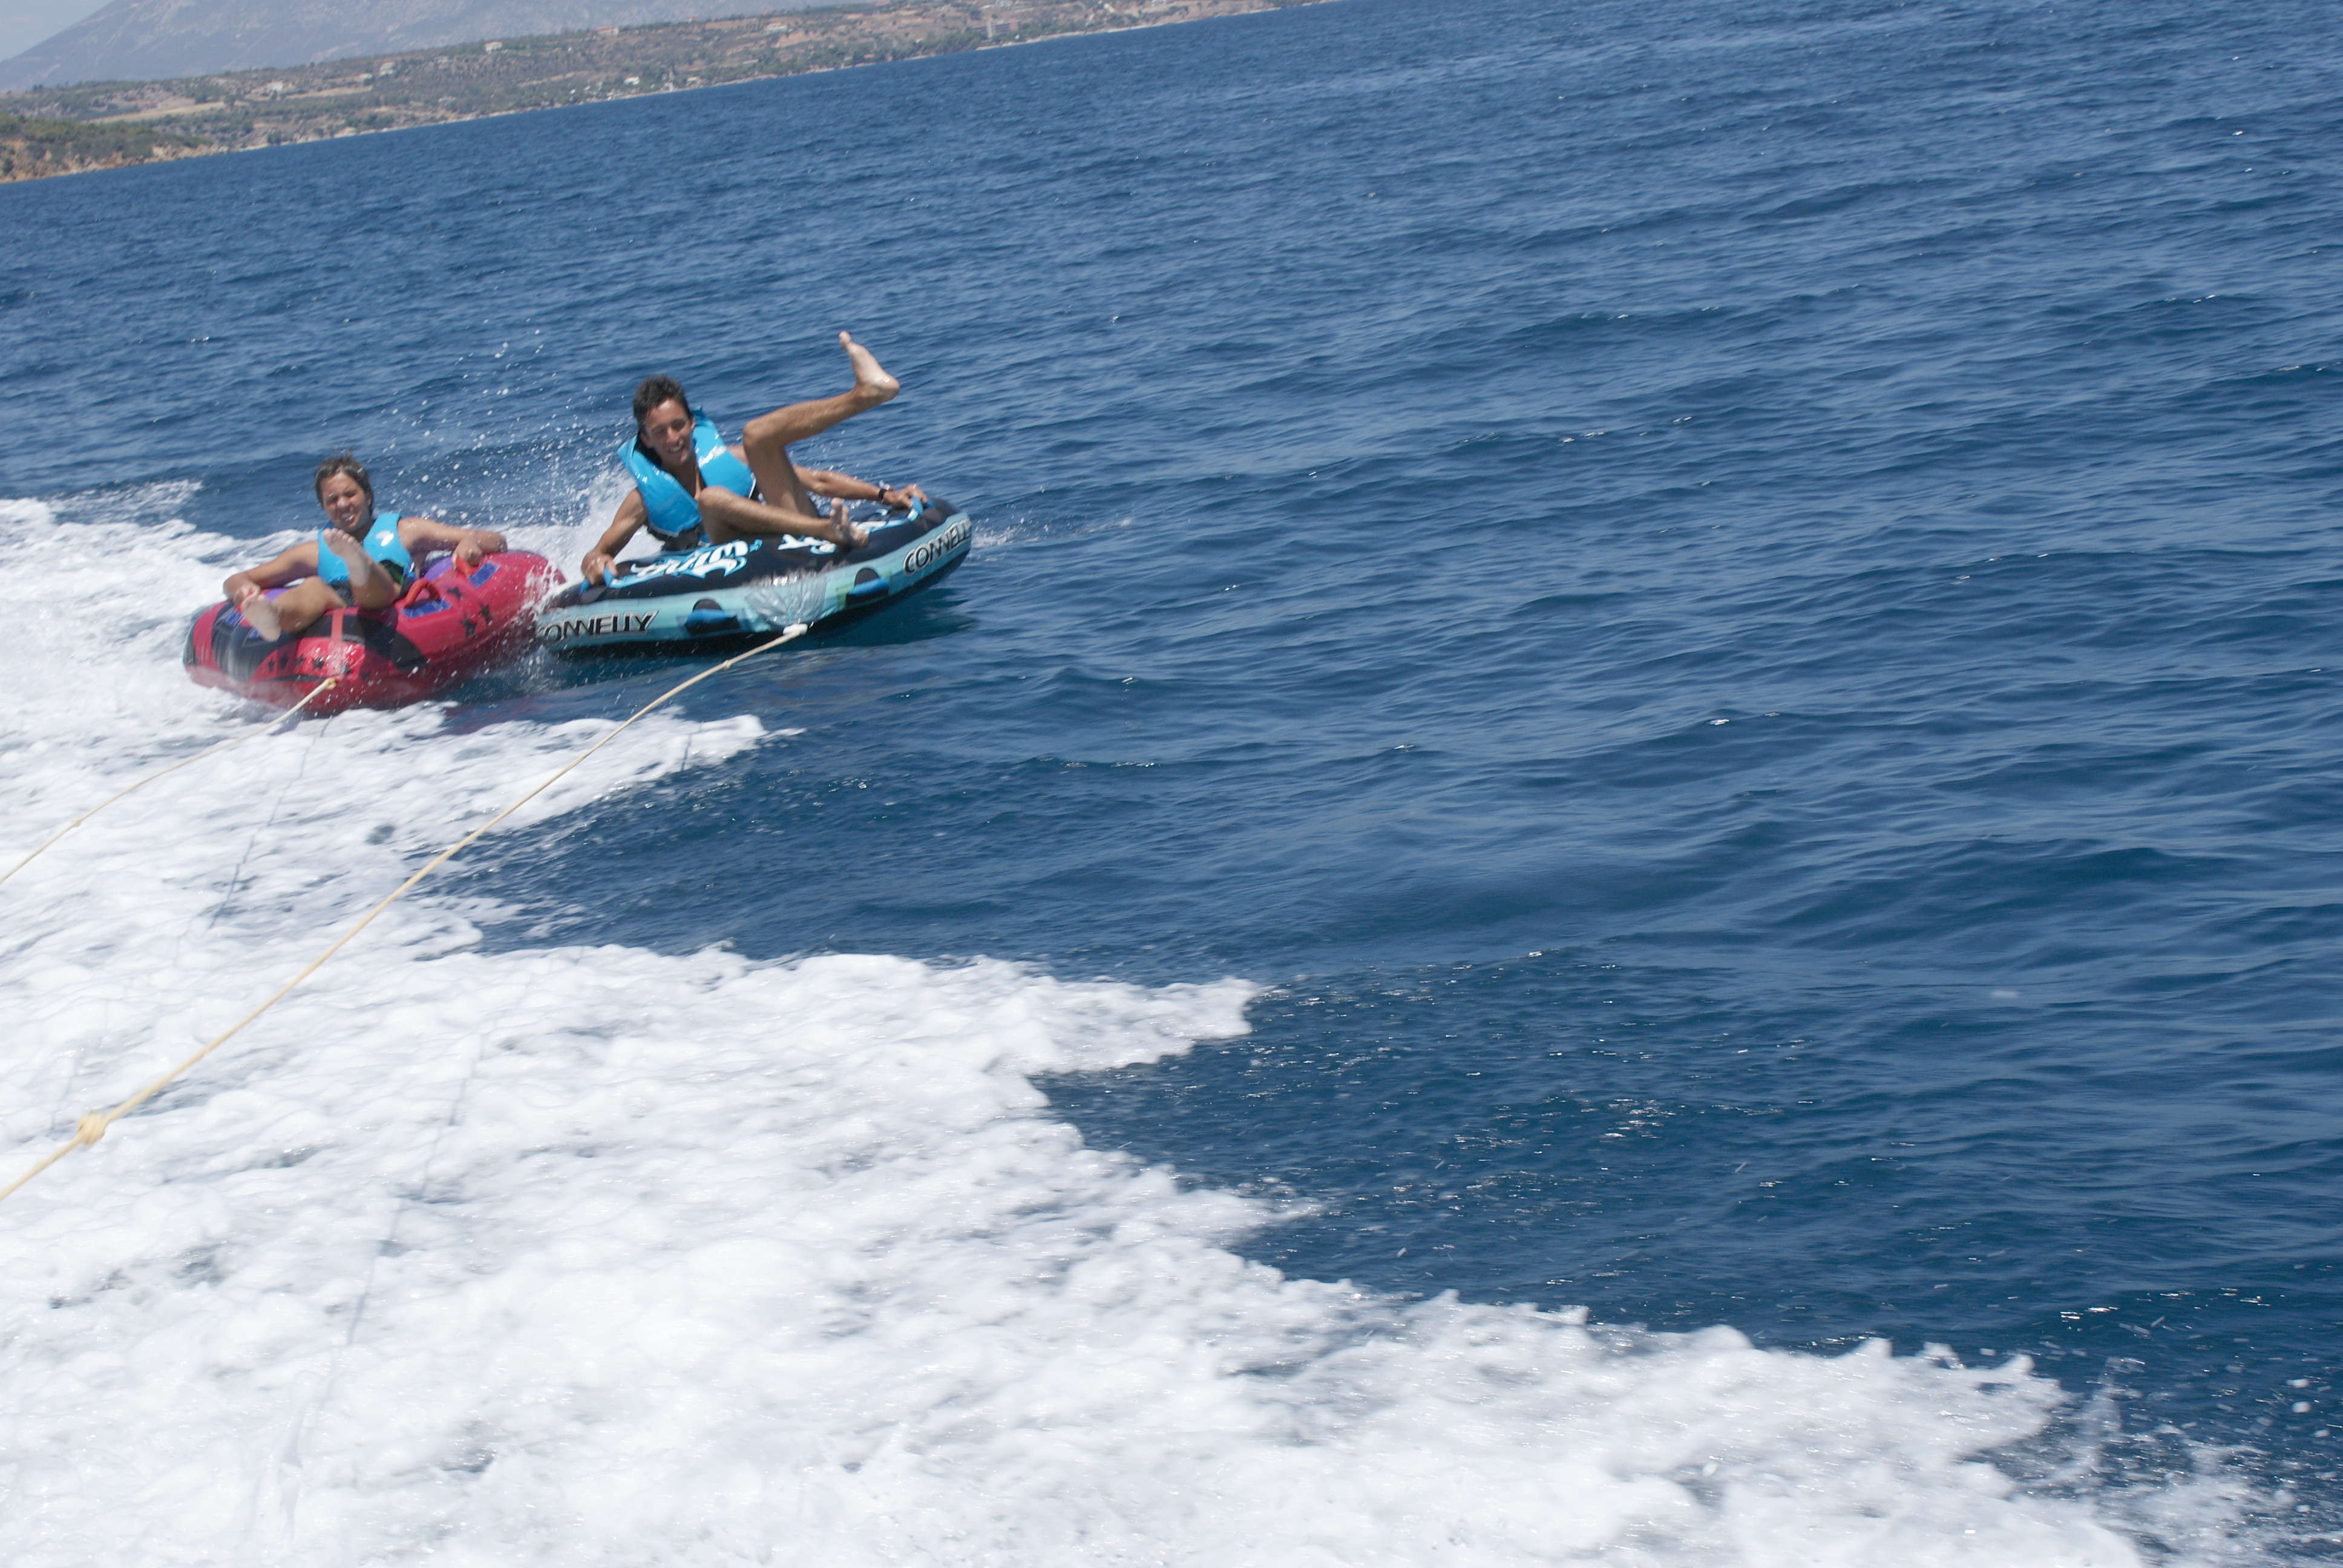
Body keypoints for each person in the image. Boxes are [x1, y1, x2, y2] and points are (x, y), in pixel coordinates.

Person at [580, 330, 926, 587]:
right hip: (732, 571)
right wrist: (595, 563)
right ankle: (827, 530)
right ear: (646, 439)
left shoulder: (731, 459)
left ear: (692, 423)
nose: (673, 438)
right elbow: (597, 554)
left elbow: (817, 481)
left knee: (756, 434)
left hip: (796, 543)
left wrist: (884, 494)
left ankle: (866, 393)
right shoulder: (642, 501)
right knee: (711, 500)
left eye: (679, 425)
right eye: (660, 432)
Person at [222, 455, 508, 642]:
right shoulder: (315, 551)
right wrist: (242, 591)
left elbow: (495, 540)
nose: (343, 504)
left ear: (368, 496)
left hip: (391, 592)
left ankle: (360, 564)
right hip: (343, 601)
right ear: (323, 507)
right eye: (332, 500)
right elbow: (236, 579)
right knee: (314, 588)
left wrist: (469, 543)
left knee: (382, 573)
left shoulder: (406, 531)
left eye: (350, 494)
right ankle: (273, 616)